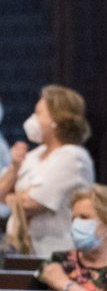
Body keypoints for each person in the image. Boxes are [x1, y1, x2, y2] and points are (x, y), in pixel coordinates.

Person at [0, 85, 94, 256]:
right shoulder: (34, 155)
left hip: (53, 253)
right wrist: (14, 168)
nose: (32, 119)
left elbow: (33, 203)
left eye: (38, 113)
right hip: (20, 250)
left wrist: (11, 196)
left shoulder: (72, 157)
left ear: (56, 120)